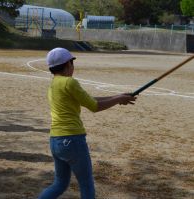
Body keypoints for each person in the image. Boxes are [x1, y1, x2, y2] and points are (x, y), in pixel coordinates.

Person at [38, 48, 137, 199]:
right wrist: (118, 100)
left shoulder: (53, 84)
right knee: (86, 184)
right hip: (73, 140)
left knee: (60, 184)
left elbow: (88, 99)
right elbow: (94, 106)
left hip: (55, 140)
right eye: (72, 62)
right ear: (68, 64)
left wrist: (118, 97)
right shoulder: (70, 82)